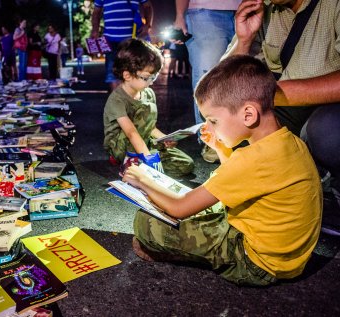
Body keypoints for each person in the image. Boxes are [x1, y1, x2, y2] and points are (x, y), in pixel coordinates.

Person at [124, 55, 322, 286]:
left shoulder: (251, 160)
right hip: (290, 259)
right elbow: (242, 179)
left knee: (146, 223)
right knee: (208, 203)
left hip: (256, 265)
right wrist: (219, 145)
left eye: (213, 121)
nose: (207, 127)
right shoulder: (288, 142)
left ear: (248, 114)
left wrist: (142, 179)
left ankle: (183, 254)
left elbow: (180, 208)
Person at [226, 0, 340, 233]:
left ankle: (330, 188)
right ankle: (291, 199)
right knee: (235, 128)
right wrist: (244, 40)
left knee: (327, 132)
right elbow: (224, 84)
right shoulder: (264, 9)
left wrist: (271, 94)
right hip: (286, 100)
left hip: (329, 105)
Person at [103, 38, 194, 179]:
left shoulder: (148, 93)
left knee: (186, 164)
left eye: (154, 77)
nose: (151, 82)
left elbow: (150, 127)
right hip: (121, 145)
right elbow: (131, 132)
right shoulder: (116, 100)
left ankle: (139, 164)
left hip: (144, 141)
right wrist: (150, 159)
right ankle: (129, 162)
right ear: (127, 75)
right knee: (149, 165)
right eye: (147, 78)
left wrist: (164, 138)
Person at [174, 0, 241, 163]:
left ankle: (241, 136)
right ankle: (212, 139)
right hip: (205, 10)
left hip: (248, 7)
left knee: (242, 76)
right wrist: (179, 15)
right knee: (210, 78)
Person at [91, 0, 153, 91]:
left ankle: (128, 100)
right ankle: (119, 102)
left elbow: (148, 6)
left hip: (132, 40)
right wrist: (95, 29)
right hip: (110, 41)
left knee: (132, 72)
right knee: (113, 74)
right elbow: (96, 12)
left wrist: (148, 25)